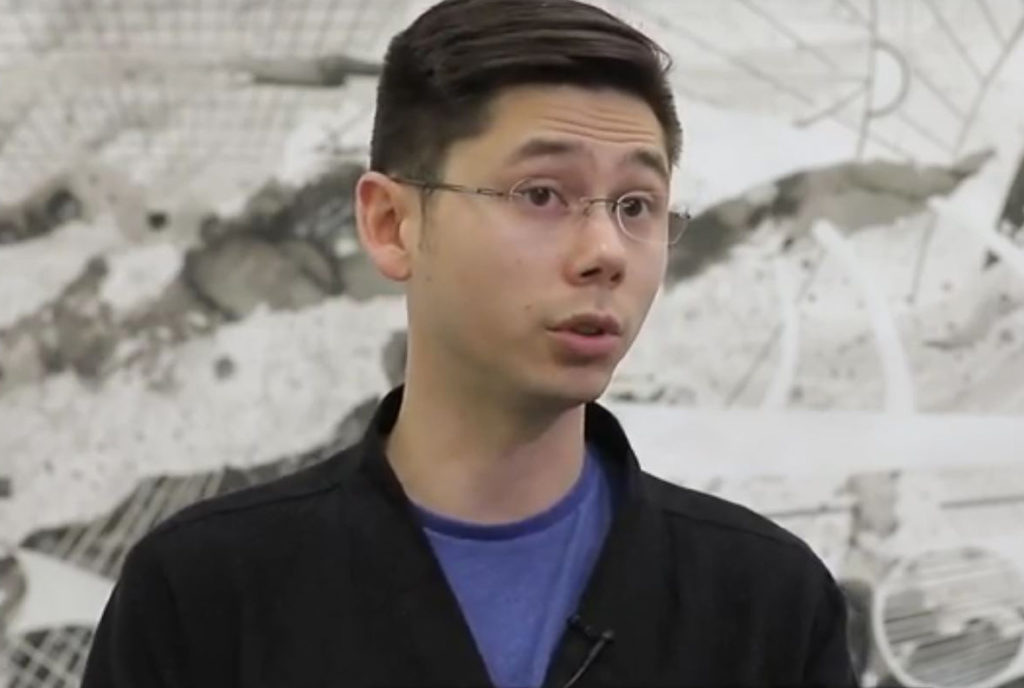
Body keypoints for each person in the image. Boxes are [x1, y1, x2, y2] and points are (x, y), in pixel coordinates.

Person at [82, 0, 858, 686]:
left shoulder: (765, 602)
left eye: (636, 204)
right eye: (542, 194)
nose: (606, 251)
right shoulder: (209, 593)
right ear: (392, 224)